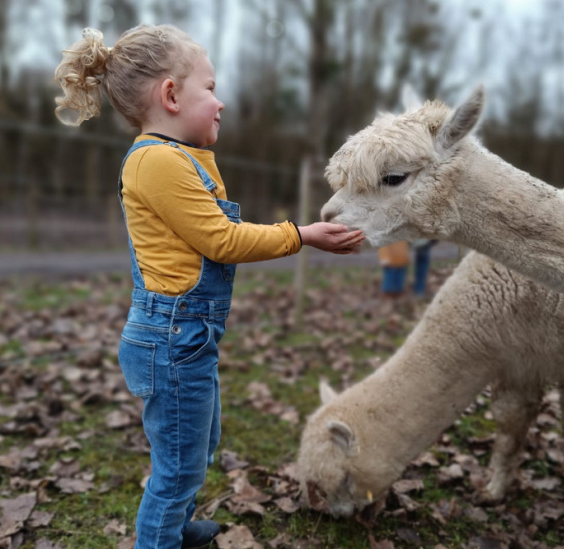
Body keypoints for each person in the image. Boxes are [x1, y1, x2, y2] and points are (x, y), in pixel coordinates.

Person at [54, 25, 363, 549]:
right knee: (178, 464)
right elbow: (220, 239)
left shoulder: (178, 157)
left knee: (197, 445)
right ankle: (160, 539)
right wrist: (302, 236)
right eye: (211, 89)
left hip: (186, 337)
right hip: (173, 338)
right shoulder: (155, 161)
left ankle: (173, 527)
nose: (220, 103)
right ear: (171, 95)